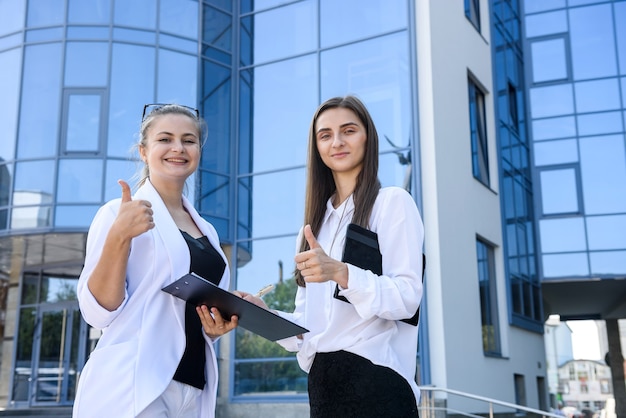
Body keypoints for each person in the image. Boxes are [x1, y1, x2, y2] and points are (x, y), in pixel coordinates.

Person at [240, 95, 424, 417]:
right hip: (323, 389)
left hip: (376, 383)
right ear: (317, 147)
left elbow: (407, 298)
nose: (336, 142)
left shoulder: (392, 203)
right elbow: (310, 326)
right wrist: (264, 316)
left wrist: (342, 272)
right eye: (325, 135)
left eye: (348, 130)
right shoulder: (312, 228)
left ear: (368, 137)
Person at [73, 104, 238, 418]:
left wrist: (217, 323)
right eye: (165, 139)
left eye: (188, 140)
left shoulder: (209, 232)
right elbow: (97, 312)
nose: (178, 147)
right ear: (143, 151)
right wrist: (119, 237)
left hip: (192, 387)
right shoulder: (116, 214)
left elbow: (193, 311)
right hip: (135, 383)